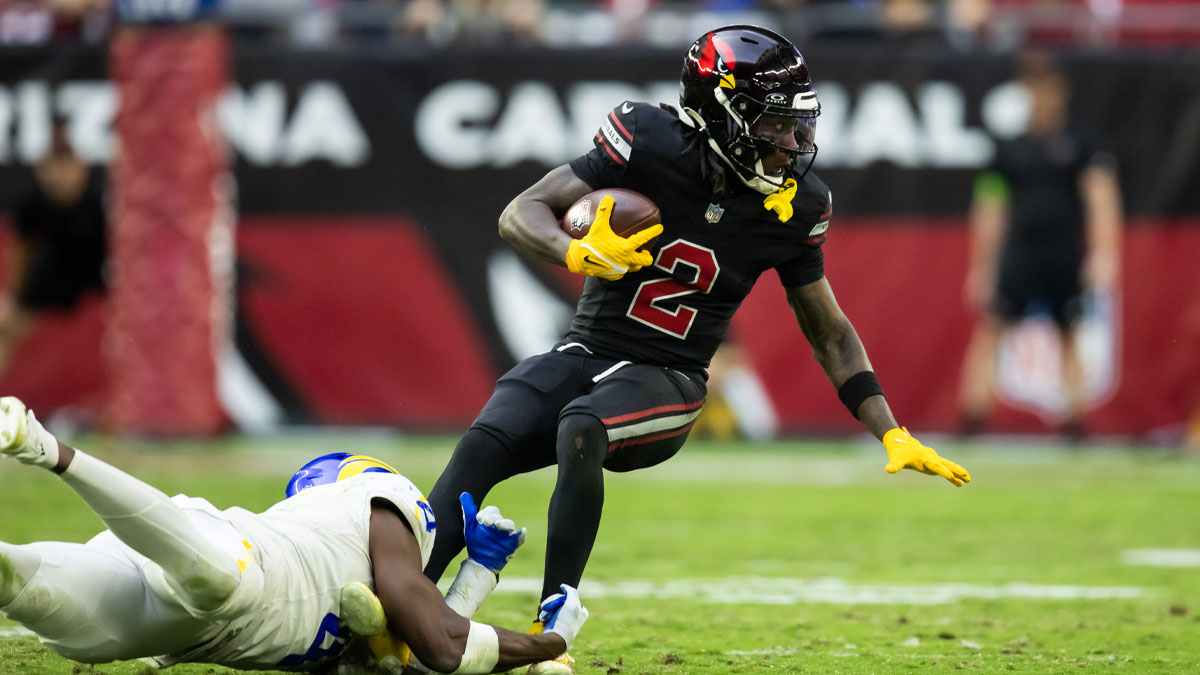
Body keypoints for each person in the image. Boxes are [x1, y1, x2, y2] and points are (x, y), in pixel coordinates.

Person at [418, 25, 971, 674]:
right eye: (776, 125)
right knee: (487, 436)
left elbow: (829, 330)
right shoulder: (649, 143)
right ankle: (406, 602)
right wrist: (572, 249)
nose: (795, 144)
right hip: (585, 349)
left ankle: (552, 633)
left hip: (671, 378)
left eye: (800, 126)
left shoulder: (796, 207)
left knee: (582, 427)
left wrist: (889, 429)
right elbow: (523, 210)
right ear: (725, 116)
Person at [0, 396, 587, 673]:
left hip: (169, 622)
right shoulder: (383, 506)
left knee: (21, 586)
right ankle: (49, 450)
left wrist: (478, 573)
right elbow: (441, 644)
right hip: (230, 565)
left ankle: (49, 456)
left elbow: (420, 662)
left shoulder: (359, 562)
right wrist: (549, 644)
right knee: (219, 581)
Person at [957, 50, 1123, 439]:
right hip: (1021, 252)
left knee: (1070, 330)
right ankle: (971, 418)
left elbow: (1101, 197)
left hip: (1063, 251)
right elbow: (990, 207)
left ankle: (1075, 421)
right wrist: (982, 264)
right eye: (1030, 88)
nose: (1038, 96)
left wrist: (1105, 254)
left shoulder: (1081, 142)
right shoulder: (1008, 148)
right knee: (994, 327)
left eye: (1044, 87)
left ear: (1060, 91)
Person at [1, 117, 107, 380]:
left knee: (134, 330)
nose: (58, 175)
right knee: (5, 326)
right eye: (51, 166)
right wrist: (16, 296)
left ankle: (125, 409)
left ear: (81, 167)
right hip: (57, 268)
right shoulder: (33, 204)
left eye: (66, 165)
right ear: (40, 169)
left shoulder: (100, 201)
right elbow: (23, 250)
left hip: (101, 267)